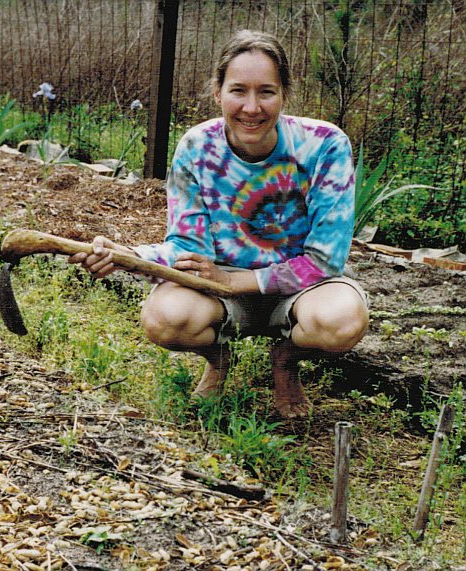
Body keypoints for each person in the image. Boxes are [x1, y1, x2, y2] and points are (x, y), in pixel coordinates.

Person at [70, 30, 369, 418]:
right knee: (165, 319)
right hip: (219, 283)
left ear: (284, 94)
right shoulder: (198, 147)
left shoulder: (324, 145)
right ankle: (218, 357)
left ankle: (285, 361)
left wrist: (236, 281)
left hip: (304, 287)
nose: (251, 107)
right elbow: (186, 245)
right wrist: (131, 257)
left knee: (341, 321)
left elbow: (325, 259)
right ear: (218, 93)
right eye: (238, 90)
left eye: (266, 92)